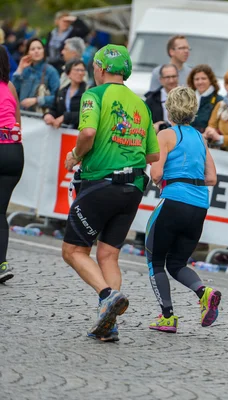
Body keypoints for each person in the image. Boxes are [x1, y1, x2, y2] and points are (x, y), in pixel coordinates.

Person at [61, 45, 160, 342]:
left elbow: (88, 133)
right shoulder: (141, 104)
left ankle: (106, 296)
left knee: (73, 251)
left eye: (94, 66)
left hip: (101, 182)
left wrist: (76, 155)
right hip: (133, 187)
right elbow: (153, 154)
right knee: (108, 255)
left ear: (102, 68)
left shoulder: (94, 95)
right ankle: (110, 324)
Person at [145, 86, 221, 332]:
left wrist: (163, 181)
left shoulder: (166, 135)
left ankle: (167, 317)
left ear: (169, 110)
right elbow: (211, 178)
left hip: (174, 200)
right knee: (177, 263)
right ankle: (203, 291)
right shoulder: (199, 137)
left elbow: (156, 172)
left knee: (155, 260)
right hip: (199, 206)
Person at [0, 46, 23, 284]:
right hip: (14, 151)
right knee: (0, 212)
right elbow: (17, 122)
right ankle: (1, 263)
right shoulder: (10, 87)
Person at [11, 38, 60, 112]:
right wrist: (20, 68)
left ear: (44, 51)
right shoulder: (25, 70)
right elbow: (12, 92)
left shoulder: (51, 71)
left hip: (40, 117)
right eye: (32, 49)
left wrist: (36, 100)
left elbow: (58, 97)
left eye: (39, 48)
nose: (36, 51)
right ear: (28, 53)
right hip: (22, 115)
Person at [43, 60, 86, 128]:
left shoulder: (88, 91)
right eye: (77, 70)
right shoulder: (62, 91)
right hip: (63, 131)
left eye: (82, 70)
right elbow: (54, 108)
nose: (80, 73)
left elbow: (87, 113)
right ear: (68, 73)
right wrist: (49, 115)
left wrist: (65, 117)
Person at [188, 64, 222, 133]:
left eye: (203, 78)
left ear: (211, 80)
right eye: (197, 79)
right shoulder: (188, 99)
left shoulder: (219, 100)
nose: (200, 82)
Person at [145, 64, 179, 133]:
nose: (171, 80)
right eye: (167, 77)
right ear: (161, 80)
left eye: (173, 76)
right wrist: (153, 127)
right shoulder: (151, 100)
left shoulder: (187, 97)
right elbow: (144, 124)